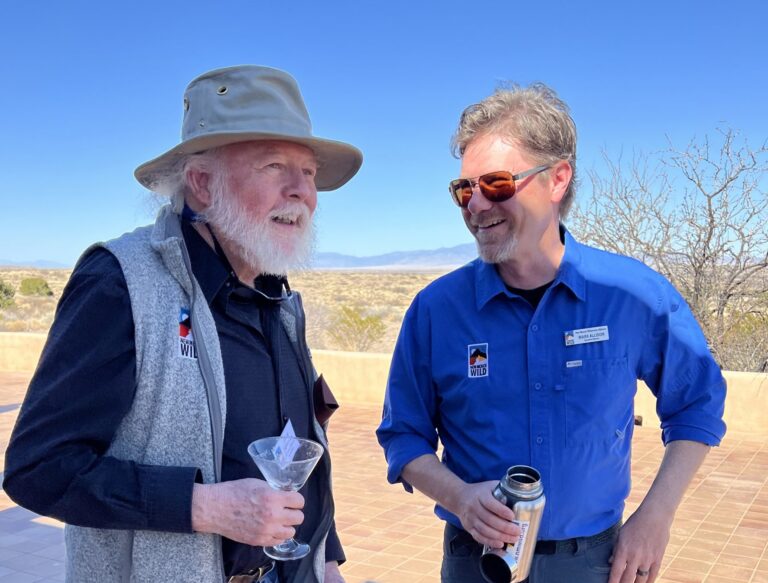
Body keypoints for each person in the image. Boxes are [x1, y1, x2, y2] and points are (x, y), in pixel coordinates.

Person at [4, 65, 362, 583]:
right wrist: (203, 507)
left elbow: (295, 455)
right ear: (201, 184)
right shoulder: (120, 283)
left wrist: (325, 562)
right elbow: (38, 470)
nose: (300, 191)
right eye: (273, 166)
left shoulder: (277, 300)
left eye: (308, 173)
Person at [376, 83, 726, 583]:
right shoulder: (436, 311)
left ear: (557, 178)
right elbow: (402, 436)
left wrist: (656, 517)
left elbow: (697, 404)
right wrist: (459, 497)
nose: (475, 205)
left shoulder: (632, 295)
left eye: (495, 183)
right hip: (474, 562)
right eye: (463, 190)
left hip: (594, 564)